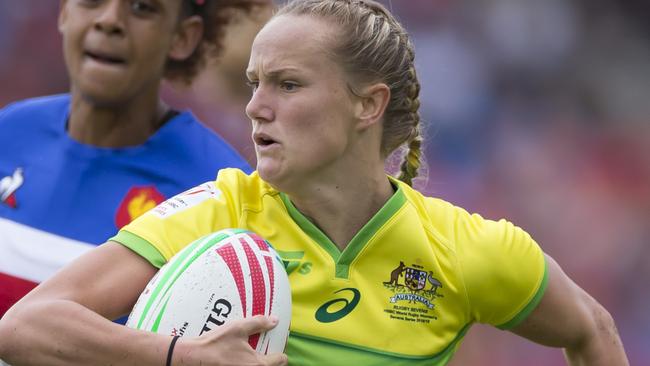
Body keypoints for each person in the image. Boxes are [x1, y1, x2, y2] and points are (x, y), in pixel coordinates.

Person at [0, 0, 629, 365]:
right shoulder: (220, 212)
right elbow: (24, 326)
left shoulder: (466, 249)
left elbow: (591, 329)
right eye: (254, 84)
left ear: (367, 104)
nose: (254, 107)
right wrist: (179, 358)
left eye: (288, 84)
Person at [0, 0, 271, 317]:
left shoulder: (223, 193)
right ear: (64, 11)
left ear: (183, 37)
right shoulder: (10, 130)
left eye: (143, 7)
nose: (109, 20)